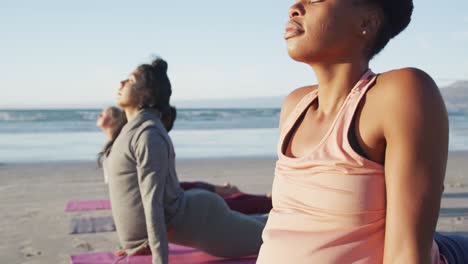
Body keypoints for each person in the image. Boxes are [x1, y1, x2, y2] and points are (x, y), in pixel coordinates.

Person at [256, 1, 468, 264]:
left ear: (366, 23)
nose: (295, 8)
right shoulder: (295, 105)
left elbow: (408, 253)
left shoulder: (399, 93)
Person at [102, 57, 266, 264]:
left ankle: (312, 221)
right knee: (265, 225)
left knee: (274, 238)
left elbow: (153, 202)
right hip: (193, 212)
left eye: (131, 80)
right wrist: (134, 244)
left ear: (147, 94)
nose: (121, 83)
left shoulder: (148, 135)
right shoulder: (131, 130)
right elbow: (127, 192)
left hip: (203, 223)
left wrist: (159, 260)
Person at [96, 106, 272, 214]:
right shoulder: (116, 147)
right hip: (154, 194)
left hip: (158, 194)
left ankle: (258, 199)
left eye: (105, 112)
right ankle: (255, 198)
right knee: (211, 199)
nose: (99, 114)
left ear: (114, 120)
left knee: (203, 195)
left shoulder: (121, 145)